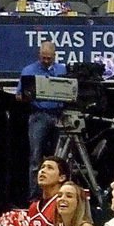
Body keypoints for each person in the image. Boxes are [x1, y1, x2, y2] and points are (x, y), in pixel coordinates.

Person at [16, 41, 67, 198]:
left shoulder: (62, 70)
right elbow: (18, 96)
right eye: (43, 58)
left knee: (61, 158)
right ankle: (35, 197)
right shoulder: (28, 71)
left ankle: (60, 194)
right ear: (39, 55)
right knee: (36, 158)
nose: (46, 61)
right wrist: (29, 95)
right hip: (39, 115)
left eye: (49, 58)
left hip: (59, 115)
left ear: (54, 56)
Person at [23, 156, 70, 226]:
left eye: (50, 168)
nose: (43, 171)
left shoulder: (63, 204)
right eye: (42, 167)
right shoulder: (33, 206)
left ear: (62, 178)